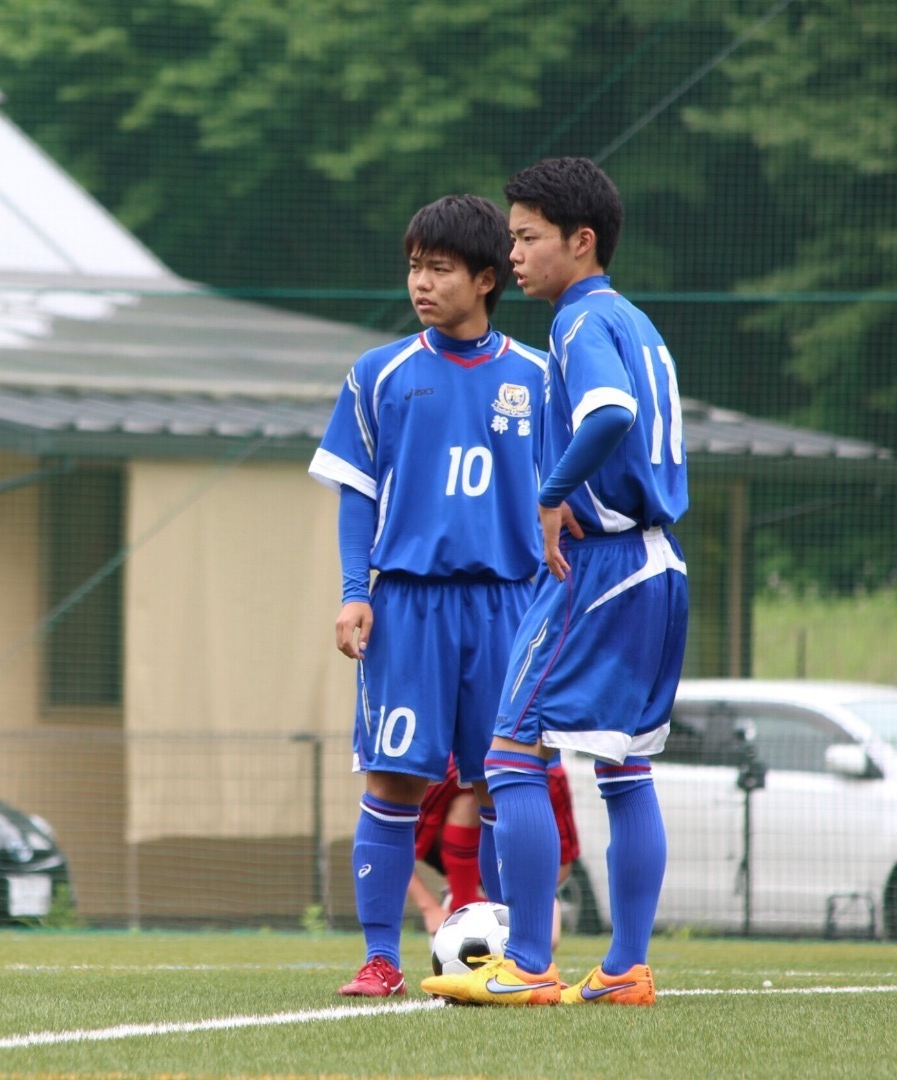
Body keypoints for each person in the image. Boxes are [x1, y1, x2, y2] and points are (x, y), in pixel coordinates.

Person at [421, 157, 689, 1008]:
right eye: (511, 237)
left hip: (601, 565)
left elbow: (608, 414)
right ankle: (625, 969)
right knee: (626, 768)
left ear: (582, 241)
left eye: (529, 237)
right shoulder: (638, 323)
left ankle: (529, 964)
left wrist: (550, 493)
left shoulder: (578, 323)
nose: (517, 253)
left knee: (509, 752)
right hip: (660, 562)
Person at [308, 194, 548, 997]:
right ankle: (380, 959)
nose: (421, 282)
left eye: (439, 268)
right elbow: (356, 494)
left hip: (510, 603)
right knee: (394, 778)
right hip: (408, 604)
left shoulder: (539, 379)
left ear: (486, 278)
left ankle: (517, 956)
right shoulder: (378, 375)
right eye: (414, 265)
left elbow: (566, 497)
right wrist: (354, 592)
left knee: (507, 780)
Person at [409, 756, 580, 952]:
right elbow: (394, 845)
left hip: (523, 879)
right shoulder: (451, 770)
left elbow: (564, 864)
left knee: (549, 938)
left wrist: (529, 898)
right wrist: (430, 909)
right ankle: (462, 899)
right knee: (467, 801)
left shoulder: (552, 775)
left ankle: (508, 909)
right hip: (464, 865)